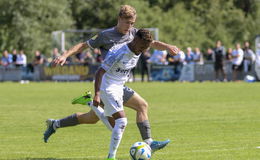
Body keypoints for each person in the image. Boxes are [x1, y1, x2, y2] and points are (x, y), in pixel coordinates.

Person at [44, 5, 179, 152]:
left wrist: (167, 46)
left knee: (93, 118)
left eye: (132, 23)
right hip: (106, 84)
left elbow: (152, 43)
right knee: (116, 124)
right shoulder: (105, 35)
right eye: (127, 22)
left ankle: (55, 124)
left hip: (118, 85)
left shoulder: (134, 34)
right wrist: (64, 56)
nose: (130, 26)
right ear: (119, 19)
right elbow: (83, 46)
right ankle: (91, 104)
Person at [93, 29, 153, 160]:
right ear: (135, 40)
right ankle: (111, 157)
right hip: (107, 87)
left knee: (114, 127)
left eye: (146, 48)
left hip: (119, 87)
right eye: (142, 46)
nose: (142, 50)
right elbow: (100, 72)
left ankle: (90, 104)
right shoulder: (119, 52)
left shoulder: (138, 49)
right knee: (122, 122)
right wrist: (97, 94)